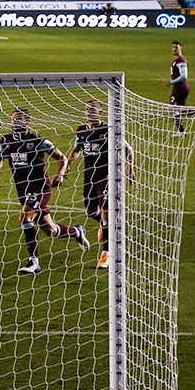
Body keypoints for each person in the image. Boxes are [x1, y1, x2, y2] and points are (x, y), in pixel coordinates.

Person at [0, 108, 90, 275]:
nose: (16, 122)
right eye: (14, 119)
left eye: (20, 119)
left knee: (25, 217)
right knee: (51, 231)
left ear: (27, 122)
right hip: (22, 190)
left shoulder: (37, 141)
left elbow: (62, 157)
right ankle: (76, 232)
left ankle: (33, 263)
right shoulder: (6, 140)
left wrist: (59, 175)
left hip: (39, 187)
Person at [67, 100, 131, 270]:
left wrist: (130, 170)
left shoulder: (109, 130)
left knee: (105, 212)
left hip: (106, 177)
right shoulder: (81, 131)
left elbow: (128, 149)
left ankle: (106, 254)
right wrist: (67, 166)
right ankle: (104, 224)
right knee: (90, 211)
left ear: (101, 113)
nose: (89, 112)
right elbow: (76, 150)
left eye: (93, 110)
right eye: (87, 109)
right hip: (89, 177)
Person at [168, 40, 188, 135]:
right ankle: (181, 132)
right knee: (178, 110)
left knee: (174, 109)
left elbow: (184, 76)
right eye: (173, 47)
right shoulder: (176, 61)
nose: (174, 49)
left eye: (176, 47)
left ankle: (181, 132)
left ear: (181, 48)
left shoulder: (181, 61)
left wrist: (171, 82)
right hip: (178, 89)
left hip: (180, 89)